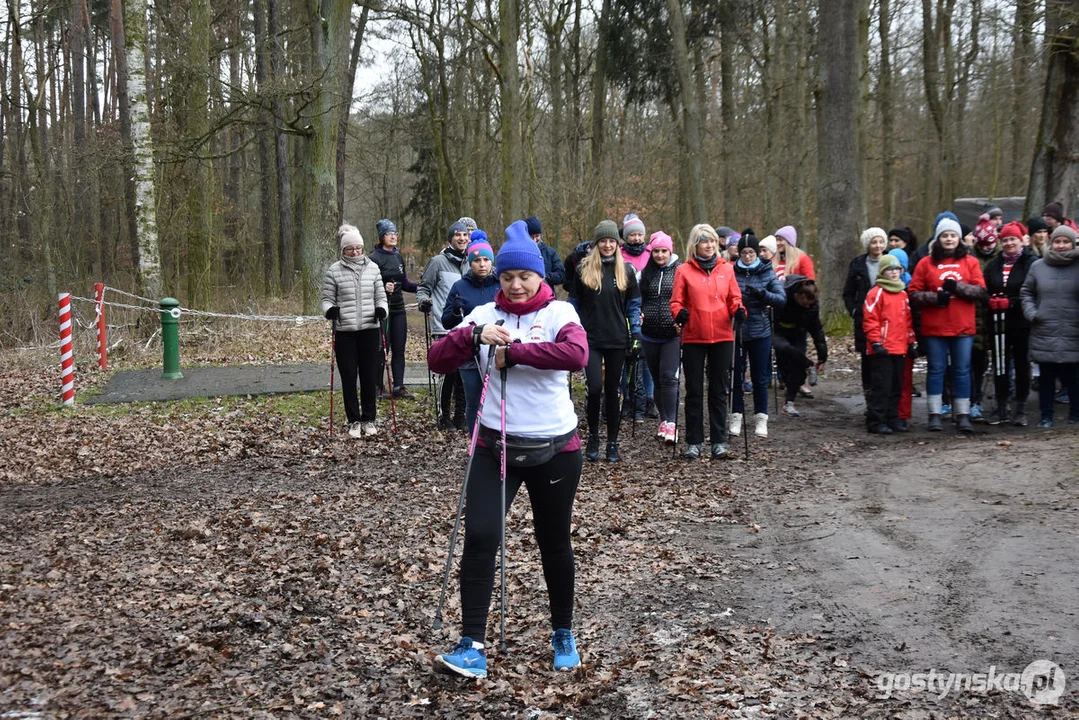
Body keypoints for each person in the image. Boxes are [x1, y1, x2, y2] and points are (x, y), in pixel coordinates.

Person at [428, 220, 588, 679]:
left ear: (540, 276)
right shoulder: (483, 316)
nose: (515, 286)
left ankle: (563, 632)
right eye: (506, 277)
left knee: (553, 540)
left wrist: (516, 351)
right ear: (496, 278)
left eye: (524, 277)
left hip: (556, 448)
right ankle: (471, 645)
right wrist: (472, 337)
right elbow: (438, 360)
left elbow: (575, 356)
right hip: (493, 445)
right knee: (480, 536)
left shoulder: (561, 313)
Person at [670, 224, 745, 459]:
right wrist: (679, 313)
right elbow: (675, 302)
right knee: (693, 390)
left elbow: (734, 297)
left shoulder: (727, 270)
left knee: (718, 390)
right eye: (705, 241)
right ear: (695, 245)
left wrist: (739, 310)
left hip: (722, 335)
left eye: (713, 241)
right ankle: (694, 441)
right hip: (694, 336)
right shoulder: (683, 270)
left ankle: (719, 440)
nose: (710, 245)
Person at [908, 217, 987, 433]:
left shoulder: (970, 262)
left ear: (959, 239)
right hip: (935, 327)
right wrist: (935, 298)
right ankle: (934, 414)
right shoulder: (926, 263)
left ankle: (962, 414)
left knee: (962, 370)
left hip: (963, 327)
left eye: (952, 235)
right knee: (936, 370)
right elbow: (913, 293)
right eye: (945, 235)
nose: (949, 239)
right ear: (938, 238)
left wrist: (959, 287)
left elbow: (981, 291)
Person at [573, 219, 641, 462]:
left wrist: (636, 334)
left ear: (617, 243)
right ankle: (593, 436)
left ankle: (612, 441)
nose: (608, 245)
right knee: (594, 388)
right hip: (590, 338)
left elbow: (633, 306)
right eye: (604, 241)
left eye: (612, 240)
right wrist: (569, 329)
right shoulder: (583, 270)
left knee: (613, 391)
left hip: (617, 338)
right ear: (597, 243)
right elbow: (574, 304)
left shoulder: (627, 271)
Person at [321, 225, 389, 438]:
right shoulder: (334, 270)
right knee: (349, 377)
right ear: (343, 250)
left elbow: (381, 296)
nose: (355, 252)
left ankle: (369, 419)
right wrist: (330, 311)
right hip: (345, 331)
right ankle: (354, 421)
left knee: (370, 377)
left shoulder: (373, 268)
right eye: (350, 249)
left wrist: (382, 310)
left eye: (358, 248)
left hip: (370, 329)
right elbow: (326, 299)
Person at [1020, 225, 1079, 427]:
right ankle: (1046, 416)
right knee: (1046, 376)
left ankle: (1075, 415)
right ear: (1051, 242)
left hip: (1074, 329)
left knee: (1074, 377)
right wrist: (1032, 313)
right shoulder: (1038, 266)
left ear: (1073, 243)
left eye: (1066, 242)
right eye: (1057, 241)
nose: (1061, 246)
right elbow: (1026, 292)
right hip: (1044, 328)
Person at [442, 233, 500, 435]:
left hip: (496, 351)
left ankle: (497, 440)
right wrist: (454, 310)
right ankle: (476, 442)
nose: (482, 264)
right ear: (470, 263)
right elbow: (447, 321)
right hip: (470, 354)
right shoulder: (460, 286)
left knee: (497, 398)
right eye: (477, 260)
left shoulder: (500, 284)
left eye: (486, 260)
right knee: (473, 400)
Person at [730, 232, 785, 438]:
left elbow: (781, 298)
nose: (747, 256)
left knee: (760, 378)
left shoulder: (765, 271)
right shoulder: (731, 271)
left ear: (757, 252)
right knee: (735, 375)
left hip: (760, 330)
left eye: (751, 252)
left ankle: (761, 417)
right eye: (744, 253)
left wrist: (764, 296)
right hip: (736, 329)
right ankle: (736, 415)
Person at [983, 221, 1037, 425]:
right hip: (998, 323)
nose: (1009, 243)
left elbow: (1031, 290)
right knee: (1000, 364)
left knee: (1022, 364)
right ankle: (1001, 403)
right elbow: (985, 287)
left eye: (1012, 239)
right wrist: (990, 300)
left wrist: (1012, 302)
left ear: (1021, 240)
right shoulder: (994, 265)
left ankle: (1021, 406)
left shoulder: (1030, 263)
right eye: (1005, 240)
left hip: (1021, 322)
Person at [419, 221, 471, 429]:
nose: (462, 239)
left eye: (465, 235)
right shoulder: (438, 262)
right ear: (450, 238)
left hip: (466, 326)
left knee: (464, 374)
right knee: (447, 374)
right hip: (443, 325)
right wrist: (424, 301)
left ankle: (461, 416)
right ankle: (443, 417)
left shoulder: (472, 262)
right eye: (457, 235)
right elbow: (424, 287)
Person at [862, 254, 913, 434]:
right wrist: (875, 342)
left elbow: (907, 321)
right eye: (890, 269)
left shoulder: (903, 294)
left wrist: (911, 340)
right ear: (883, 272)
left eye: (897, 269)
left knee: (896, 386)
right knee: (881, 387)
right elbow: (870, 319)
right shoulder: (876, 293)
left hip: (900, 347)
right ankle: (876, 421)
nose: (894, 273)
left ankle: (893, 418)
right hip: (881, 349)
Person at [639, 231, 682, 443]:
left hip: (671, 334)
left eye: (664, 251)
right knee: (657, 379)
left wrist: (682, 319)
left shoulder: (679, 271)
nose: (660, 255)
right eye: (656, 251)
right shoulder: (645, 273)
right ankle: (664, 420)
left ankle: (672, 422)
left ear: (670, 251)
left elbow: (685, 299)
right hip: (649, 333)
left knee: (668, 377)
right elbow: (636, 299)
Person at [369, 219, 418, 398]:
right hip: (382, 310)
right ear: (382, 236)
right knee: (382, 348)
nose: (393, 236)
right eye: (390, 234)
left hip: (398, 309)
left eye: (395, 233)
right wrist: (383, 286)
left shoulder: (398, 257)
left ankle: (398, 386)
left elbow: (404, 283)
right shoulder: (374, 258)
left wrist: (421, 287)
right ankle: (377, 387)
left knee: (399, 348)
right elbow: (369, 285)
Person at [843, 227, 889, 399]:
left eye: (880, 242)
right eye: (874, 242)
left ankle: (884, 395)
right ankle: (869, 395)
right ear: (867, 244)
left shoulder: (892, 261)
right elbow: (848, 292)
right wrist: (854, 310)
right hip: (864, 317)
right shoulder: (858, 264)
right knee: (867, 357)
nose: (878, 246)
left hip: (888, 317)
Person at [772, 275, 827, 417]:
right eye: (804, 303)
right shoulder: (782, 294)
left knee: (796, 365)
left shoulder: (812, 306)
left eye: (810, 303)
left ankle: (789, 403)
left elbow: (817, 330)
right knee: (785, 352)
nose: (807, 306)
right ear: (797, 295)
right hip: (778, 331)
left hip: (798, 332)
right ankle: (808, 364)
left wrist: (822, 355)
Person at [619, 213, 652, 421]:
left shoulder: (651, 253)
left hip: (649, 310)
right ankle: (627, 397)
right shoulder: (620, 255)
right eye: (633, 235)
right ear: (626, 237)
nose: (637, 238)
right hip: (626, 310)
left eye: (640, 234)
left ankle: (649, 398)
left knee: (647, 360)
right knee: (626, 359)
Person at [525, 216, 566, 289]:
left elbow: (561, 275)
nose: (534, 239)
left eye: (537, 236)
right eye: (531, 236)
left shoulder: (550, 252)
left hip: (547, 295)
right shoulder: (519, 253)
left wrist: (545, 277)